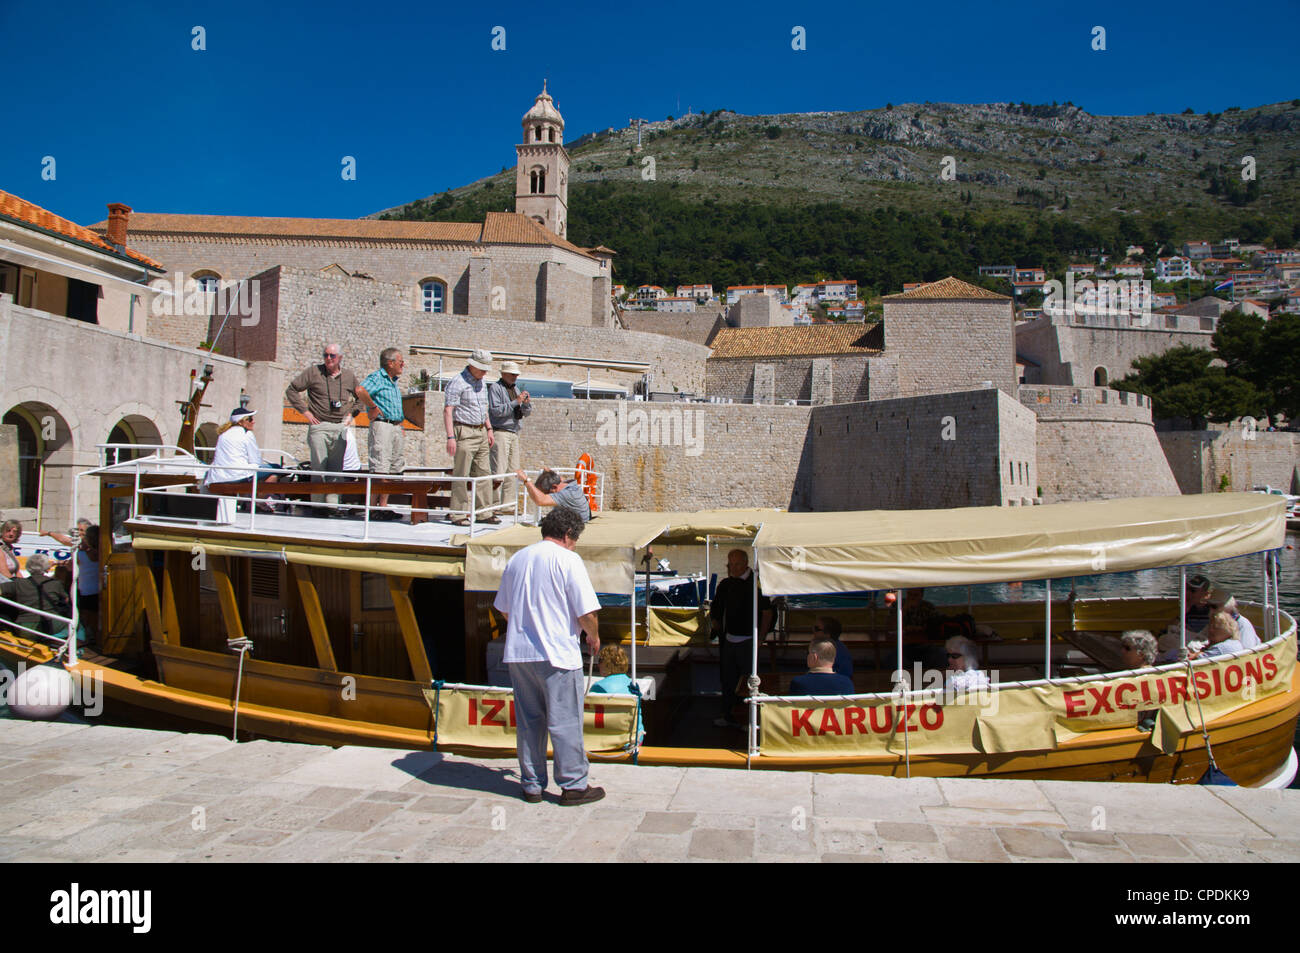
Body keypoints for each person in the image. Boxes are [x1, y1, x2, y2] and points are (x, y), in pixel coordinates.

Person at [493, 507, 604, 805]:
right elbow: (586, 612)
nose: (575, 544)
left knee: (530, 721)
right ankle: (573, 785)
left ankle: (531, 784)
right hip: (556, 654)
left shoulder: (517, 559)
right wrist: (593, 636)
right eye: (575, 539)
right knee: (565, 721)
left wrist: (524, 626)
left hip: (519, 654)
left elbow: (503, 607)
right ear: (568, 535)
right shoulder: (568, 560)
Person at [285, 343, 360, 515]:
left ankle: (333, 507)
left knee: (336, 469)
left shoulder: (348, 376)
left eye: (332, 356)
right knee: (319, 466)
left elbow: (361, 396)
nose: (328, 359)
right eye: (325, 355)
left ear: (340, 358)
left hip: (339, 426)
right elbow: (292, 390)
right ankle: (318, 506)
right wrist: (305, 412)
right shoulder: (313, 372)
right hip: (319, 425)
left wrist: (351, 414)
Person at [709, 549, 772, 727]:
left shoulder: (757, 583)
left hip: (749, 641)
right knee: (728, 679)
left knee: (749, 682)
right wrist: (715, 621)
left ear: (745, 564)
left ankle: (750, 719)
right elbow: (716, 607)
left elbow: (767, 613)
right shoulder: (726, 584)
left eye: (737, 564)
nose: (733, 568)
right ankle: (728, 715)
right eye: (730, 564)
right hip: (729, 640)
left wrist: (760, 638)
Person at [442, 349, 496, 526]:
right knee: (461, 474)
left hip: (480, 430)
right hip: (464, 431)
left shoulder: (482, 383)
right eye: (482, 369)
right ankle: (458, 514)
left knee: (483, 473)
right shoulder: (457, 382)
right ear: (472, 365)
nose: (484, 372)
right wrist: (450, 437)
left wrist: (489, 428)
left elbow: (483, 407)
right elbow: (448, 410)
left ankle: (483, 512)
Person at [355, 347, 408, 520]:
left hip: (394, 426)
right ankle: (372, 507)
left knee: (393, 468)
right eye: (400, 361)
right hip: (382, 426)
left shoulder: (393, 382)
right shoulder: (377, 377)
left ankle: (383, 506)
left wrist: (400, 425)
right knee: (380, 466)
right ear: (390, 363)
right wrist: (372, 406)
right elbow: (360, 390)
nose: (403, 364)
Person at [203, 408, 281, 508]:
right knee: (276, 469)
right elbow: (255, 460)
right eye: (250, 419)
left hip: (219, 476)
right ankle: (258, 502)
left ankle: (245, 501)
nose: (253, 421)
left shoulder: (224, 434)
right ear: (241, 422)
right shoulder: (247, 434)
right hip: (236, 475)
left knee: (250, 471)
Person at [489, 361, 531, 506]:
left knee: (513, 471)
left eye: (516, 374)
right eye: (512, 374)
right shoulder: (495, 388)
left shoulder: (516, 389)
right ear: (504, 374)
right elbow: (496, 411)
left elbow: (526, 412)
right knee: (498, 470)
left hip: (513, 432)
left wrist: (525, 403)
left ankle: (508, 504)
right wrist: (516, 402)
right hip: (500, 431)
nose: (515, 377)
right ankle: (492, 505)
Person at [0, 553, 71, 637]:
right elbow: (66, 600)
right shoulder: (55, 584)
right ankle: (68, 644)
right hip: (51, 625)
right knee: (76, 626)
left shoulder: (18, 584)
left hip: (25, 627)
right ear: (47, 569)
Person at [590, 644, 645, 744]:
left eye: (600, 661)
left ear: (606, 664)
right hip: (635, 738)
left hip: (612, 739)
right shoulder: (633, 685)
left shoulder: (599, 687)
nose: (598, 665)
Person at [516, 468, 591, 522]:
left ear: (554, 487)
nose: (547, 496)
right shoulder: (569, 484)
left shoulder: (567, 494)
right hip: (580, 521)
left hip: (578, 526)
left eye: (546, 493)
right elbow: (560, 479)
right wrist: (549, 472)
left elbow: (540, 501)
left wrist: (526, 480)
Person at [789, 638, 855, 696]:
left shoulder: (798, 683)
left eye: (808, 653)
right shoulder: (846, 683)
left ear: (814, 657)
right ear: (833, 658)